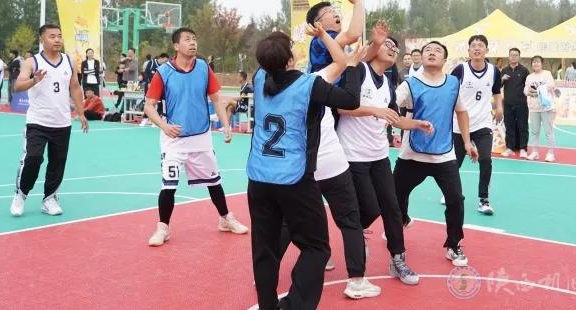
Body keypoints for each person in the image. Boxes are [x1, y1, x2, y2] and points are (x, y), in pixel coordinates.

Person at [246, 29, 362, 310]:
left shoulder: (259, 78)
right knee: (316, 247)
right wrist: (352, 67)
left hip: (259, 178)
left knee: (265, 251)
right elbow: (351, 100)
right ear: (289, 59)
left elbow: (273, 57)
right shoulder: (309, 85)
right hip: (295, 178)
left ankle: (268, 306)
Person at [337, 36, 432, 288]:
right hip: (354, 155)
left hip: (379, 155)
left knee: (393, 207)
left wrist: (417, 124)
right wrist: (374, 110)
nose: (392, 49)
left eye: (395, 48)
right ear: (375, 47)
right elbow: (341, 107)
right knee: (370, 208)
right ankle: (354, 235)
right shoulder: (359, 71)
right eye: (388, 45)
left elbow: (394, 118)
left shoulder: (389, 84)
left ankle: (397, 259)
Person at [143, 28, 248, 247]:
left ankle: (225, 218)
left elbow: (216, 98)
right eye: (187, 39)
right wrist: (164, 126)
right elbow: (149, 106)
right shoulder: (163, 72)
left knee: (214, 181)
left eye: (194, 39)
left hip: (201, 137)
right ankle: (163, 228)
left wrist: (226, 124)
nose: (193, 43)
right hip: (174, 140)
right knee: (169, 185)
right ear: (176, 46)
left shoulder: (203, 68)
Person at [394, 41, 477, 268]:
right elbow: (390, 106)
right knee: (396, 197)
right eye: (428, 50)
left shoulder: (453, 84)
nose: (432, 53)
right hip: (412, 154)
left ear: (444, 60)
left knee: (456, 200)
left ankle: (453, 244)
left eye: (437, 51)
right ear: (421, 57)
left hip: (444, 154)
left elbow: (462, 112)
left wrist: (467, 142)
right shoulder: (410, 84)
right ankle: (400, 223)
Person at [10, 24, 88, 217]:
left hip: (62, 122)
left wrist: (81, 113)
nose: (57, 39)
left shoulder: (69, 61)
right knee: (33, 159)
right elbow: (17, 86)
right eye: (52, 36)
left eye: (59, 36)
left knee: (57, 163)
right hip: (37, 122)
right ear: (42, 40)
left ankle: (50, 199)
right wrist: (33, 81)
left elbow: (75, 87)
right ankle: (21, 195)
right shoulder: (32, 62)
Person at [448, 35, 502, 215]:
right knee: (454, 163)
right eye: (473, 45)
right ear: (468, 50)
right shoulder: (460, 70)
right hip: (459, 124)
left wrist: (499, 107)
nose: (477, 48)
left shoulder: (494, 70)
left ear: (487, 50)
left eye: (480, 45)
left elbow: (496, 91)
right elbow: (450, 92)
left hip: (482, 123)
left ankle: (483, 199)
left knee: (486, 159)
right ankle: (450, 192)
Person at [305, 0, 364, 73]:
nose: (336, 14)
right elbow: (353, 35)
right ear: (318, 23)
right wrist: (357, 2)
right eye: (329, 11)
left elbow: (361, 60)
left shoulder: (334, 40)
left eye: (334, 11)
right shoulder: (321, 39)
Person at [524, 56, 557, 162]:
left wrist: (539, 90)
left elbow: (552, 85)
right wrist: (530, 92)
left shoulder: (547, 74)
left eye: (538, 62)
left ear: (542, 64)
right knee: (534, 131)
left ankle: (550, 153)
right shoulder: (529, 77)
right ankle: (535, 152)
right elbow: (525, 90)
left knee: (548, 131)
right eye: (534, 62)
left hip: (546, 107)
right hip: (533, 108)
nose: (536, 64)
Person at [501, 47, 530, 159]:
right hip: (508, 103)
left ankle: (523, 148)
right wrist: (502, 79)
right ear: (509, 57)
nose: (513, 57)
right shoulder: (504, 70)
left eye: (516, 55)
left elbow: (529, 86)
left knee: (523, 126)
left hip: (522, 103)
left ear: (519, 57)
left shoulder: (524, 70)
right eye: (511, 55)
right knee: (509, 126)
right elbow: (497, 86)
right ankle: (510, 148)